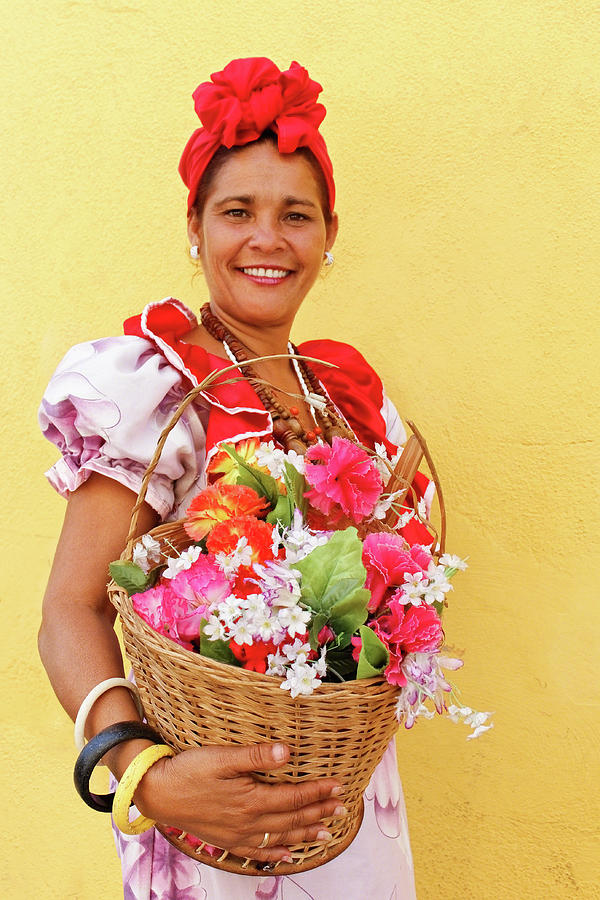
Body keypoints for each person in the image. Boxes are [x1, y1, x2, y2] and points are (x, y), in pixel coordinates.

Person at [38, 57, 419, 899]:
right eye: (237, 211)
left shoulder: (347, 397)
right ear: (195, 228)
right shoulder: (159, 384)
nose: (267, 239)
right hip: (208, 816)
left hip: (348, 808)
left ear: (329, 234)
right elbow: (69, 608)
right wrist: (141, 769)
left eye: (297, 215)